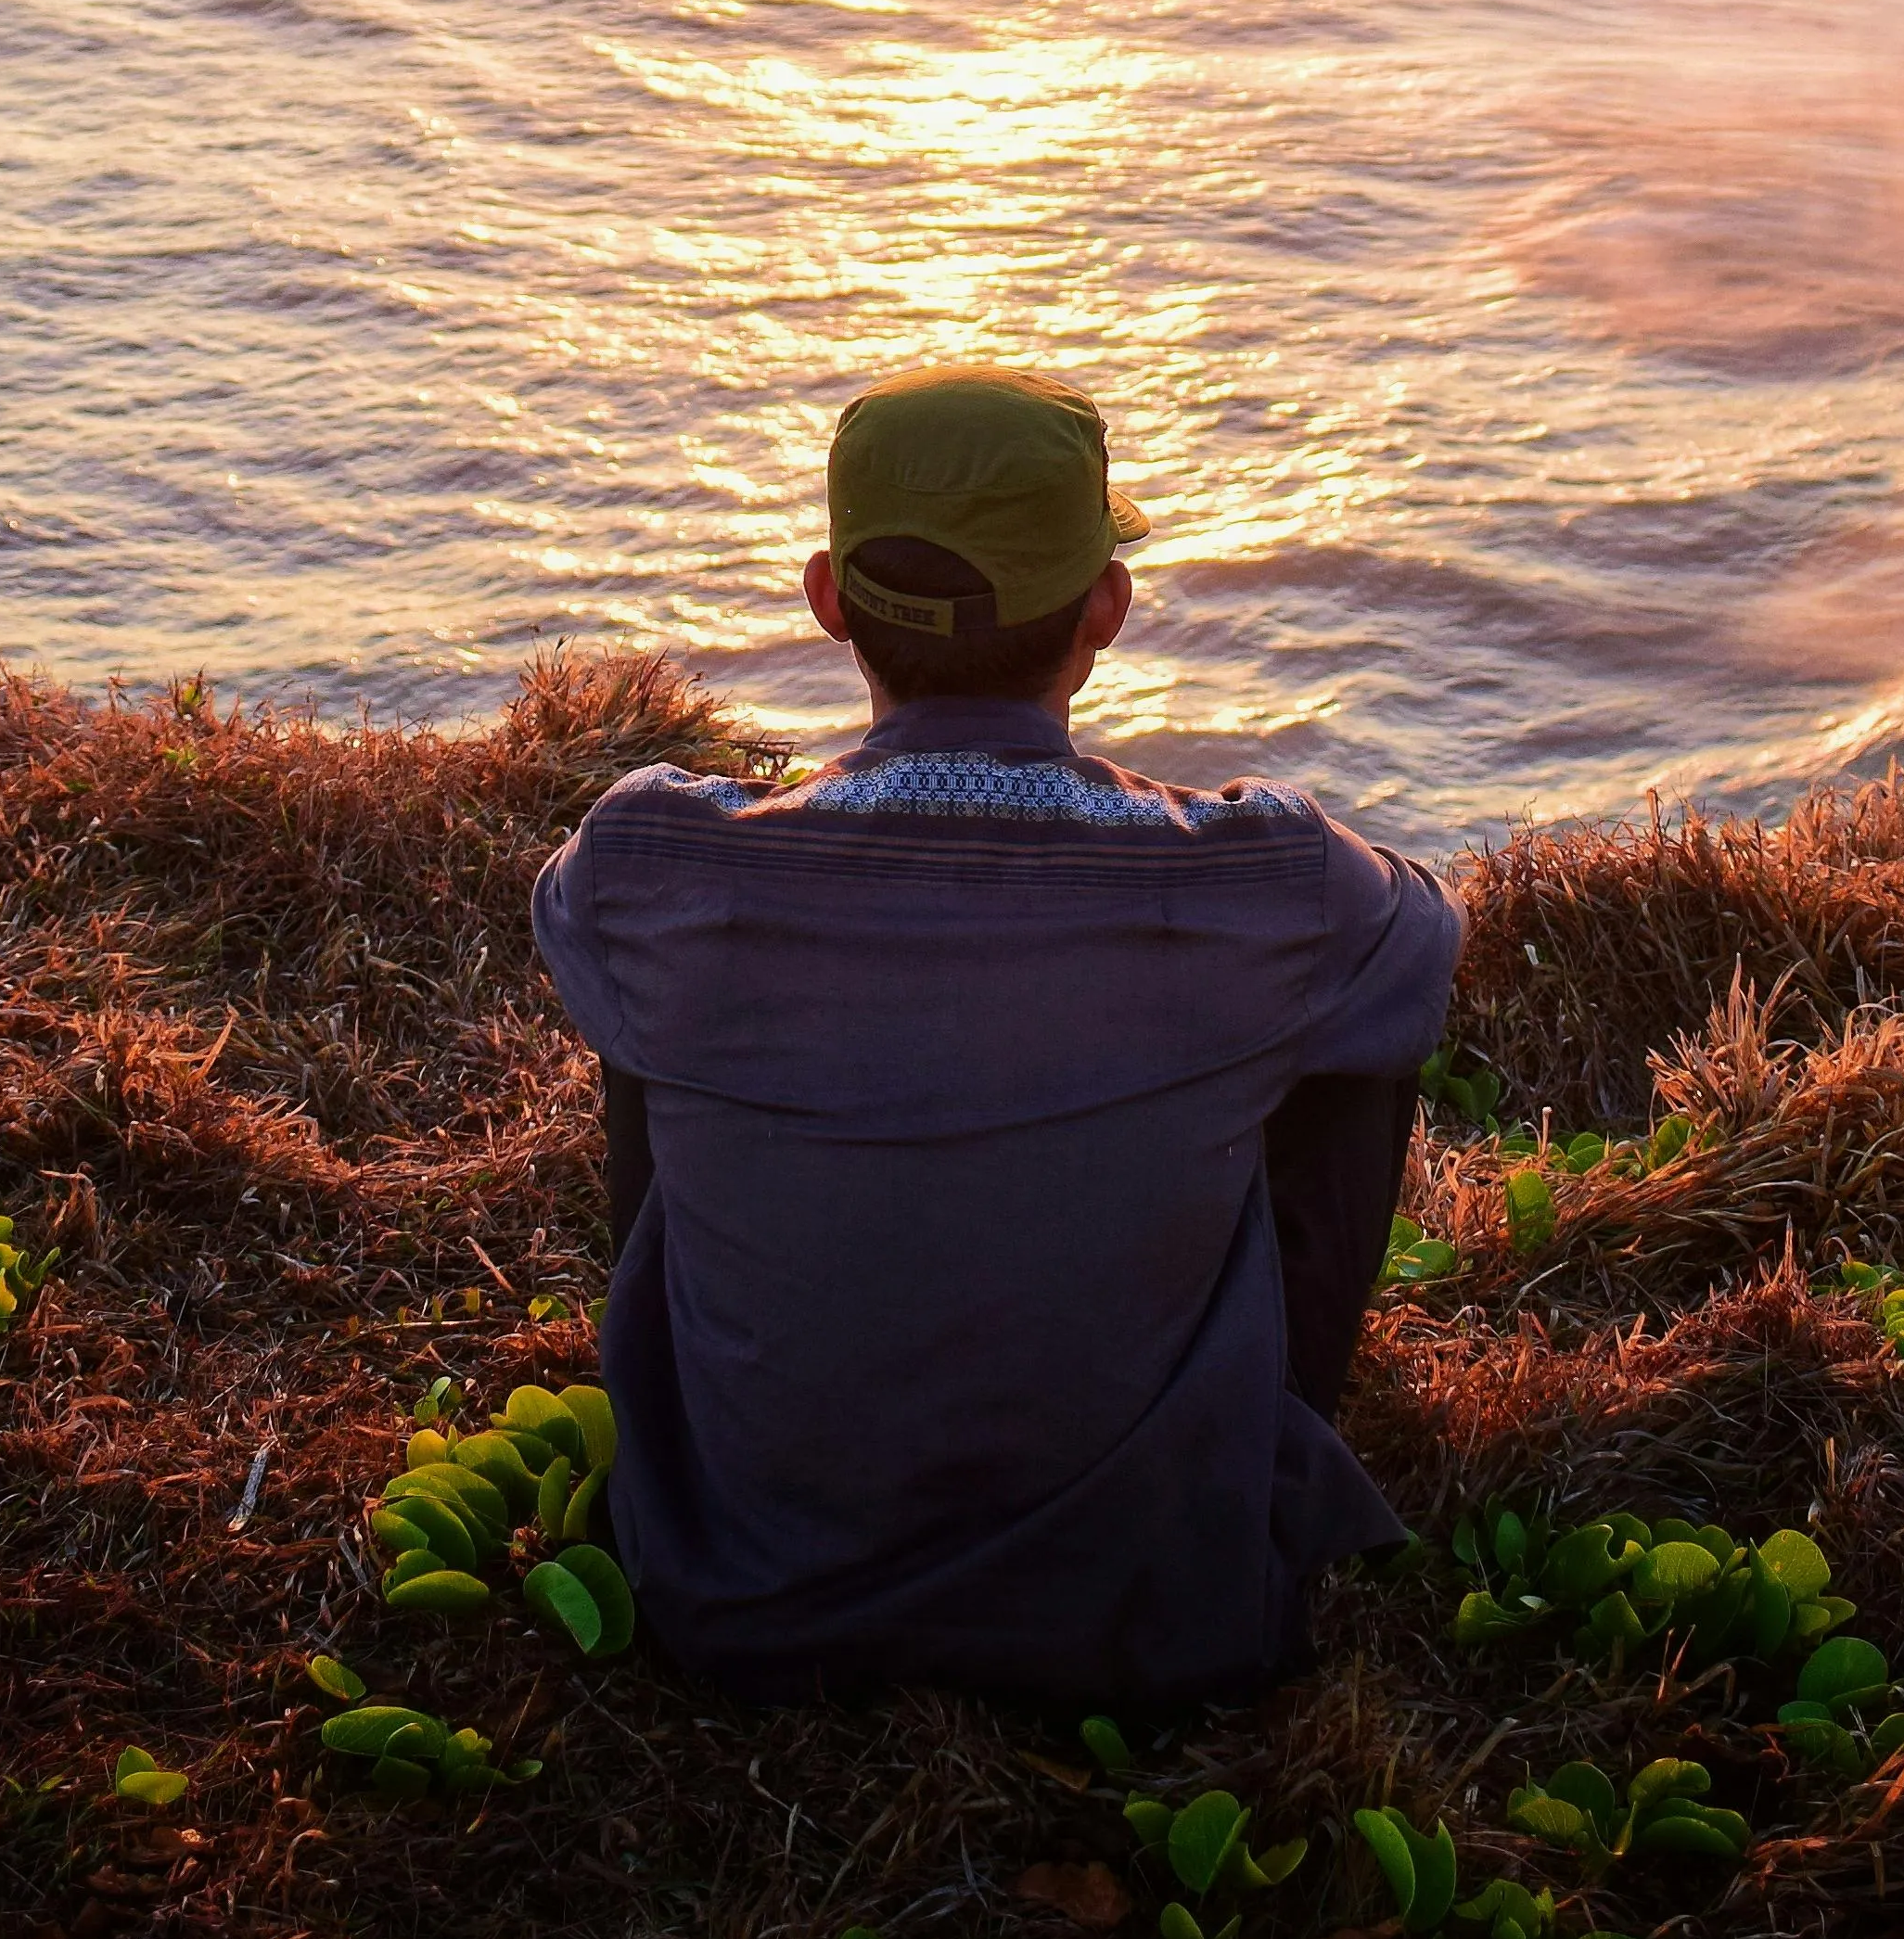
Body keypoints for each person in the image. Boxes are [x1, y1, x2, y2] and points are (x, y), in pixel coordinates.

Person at [530, 363, 1463, 1705]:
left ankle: (725, 1446)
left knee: (660, 1013)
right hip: (1162, 1626)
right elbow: (1424, 941)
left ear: (827, 599)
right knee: (1351, 1040)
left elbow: (572, 919)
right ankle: (1267, 1446)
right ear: (1108, 610)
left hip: (735, 1604)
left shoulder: (656, 863)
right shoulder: (1267, 886)